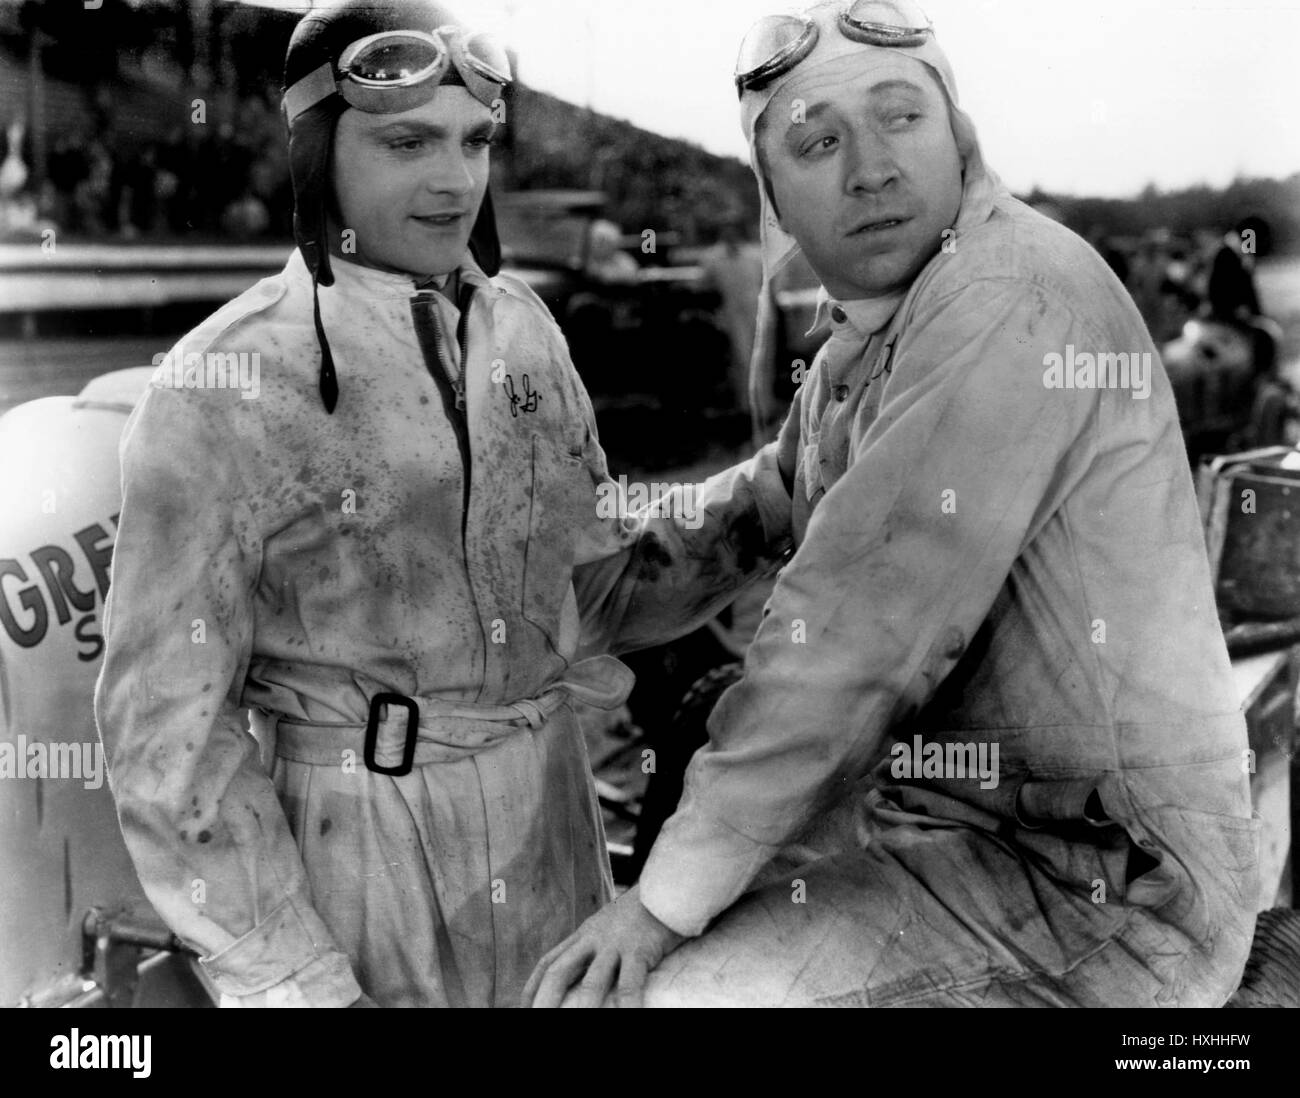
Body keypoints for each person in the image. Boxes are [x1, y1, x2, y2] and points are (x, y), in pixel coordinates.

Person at [524, 0, 1258, 1008]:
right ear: (773, 190)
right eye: (816, 141)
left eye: (899, 117)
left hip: (1101, 890)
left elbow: (855, 628)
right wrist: (552, 592)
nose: (869, 167)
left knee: (672, 1001)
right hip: (949, 831)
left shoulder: (1008, 293)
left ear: (957, 132)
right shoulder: (864, 343)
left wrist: (658, 907)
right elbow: (760, 508)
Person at [95, 0, 794, 1008]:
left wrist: (777, 495)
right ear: (319, 153)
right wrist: (295, 985)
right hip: (361, 861)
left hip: (549, 823)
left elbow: (591, 593)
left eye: (474, 142)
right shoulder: (224, 384)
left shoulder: (523, 333)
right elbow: (167, 739)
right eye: (406, 142)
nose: (453, 180)